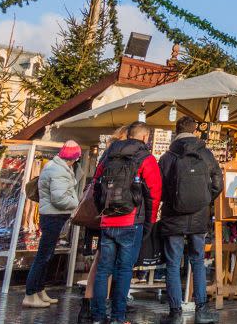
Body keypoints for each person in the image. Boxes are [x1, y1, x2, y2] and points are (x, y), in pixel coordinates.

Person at [90, 121, 162, 324]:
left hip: (108, 219)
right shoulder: (145, 158)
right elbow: (154, 193)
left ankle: (97, 316)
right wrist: (150, 220)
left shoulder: (109, 155)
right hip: (131, 220)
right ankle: (118, 317)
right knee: (124, 269)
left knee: (104, 269)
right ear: (145, 138)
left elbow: (95, 184)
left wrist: (102, 211)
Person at [157, 117, 223, 324]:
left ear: (176, 131)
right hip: (199, 216)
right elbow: (218, 183)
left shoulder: (167, 157)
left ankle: (175, 311)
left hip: (173, 215)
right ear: (195, 131)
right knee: (198, 261)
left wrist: (172, 201)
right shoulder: (205, 154)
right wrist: (205, 200)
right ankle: (201, 309)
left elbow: (159, 188)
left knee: (173, 263)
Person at [78, 125, 129, 323]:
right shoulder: (117, 156)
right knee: (105, 263)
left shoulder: (108, 154)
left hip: (101, 214)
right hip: (109, 214)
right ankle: (96, 307)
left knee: (102, 261)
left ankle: (89, 306)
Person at [23, 141, 82, 308]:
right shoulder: (58, 170)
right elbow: (60, 199)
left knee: (46, 256)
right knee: (43, 256)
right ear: (74, 157)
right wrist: (76, 202)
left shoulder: (57, 167)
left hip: (52, 216)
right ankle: (30, 294)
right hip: (53, 216)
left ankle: (39, 290)